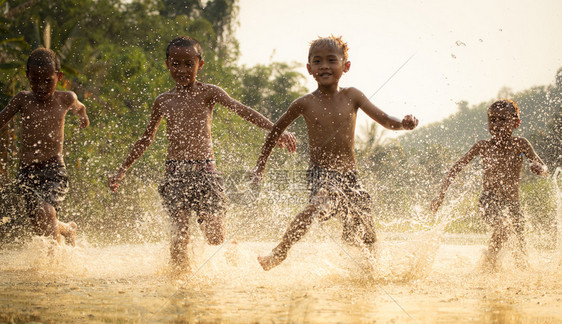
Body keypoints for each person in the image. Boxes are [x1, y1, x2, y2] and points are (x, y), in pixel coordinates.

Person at [107, 36, 296, 270]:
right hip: (175, 175)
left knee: (215, 237)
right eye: (176, 64)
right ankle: (180, 289)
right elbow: (147, 138)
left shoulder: (209, 93)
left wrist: (276, 130)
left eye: (189, 64)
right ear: (167, 64)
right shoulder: (164, 101)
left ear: (200, 64)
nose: (182, 70)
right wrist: (123, 169)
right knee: (179, 237)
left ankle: (231, 247)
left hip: (206, 174)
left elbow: (242, 110)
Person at [251, 35, 418, 270]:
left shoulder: (353, 96)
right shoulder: (304, 103)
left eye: (331, 60)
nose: (325, 66)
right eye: (318, 62)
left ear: (345, 66)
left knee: (365, 232)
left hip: (351, 176)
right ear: (310, 69)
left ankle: (372, 271)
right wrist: (261, 165)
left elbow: (384, 120)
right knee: (317, 204)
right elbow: (275, 131)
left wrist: (402, 123)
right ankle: (280, 252)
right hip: (321, 174)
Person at [431, 99, 549, 271]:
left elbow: (544, 167)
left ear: (516, 123)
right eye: (492, 120)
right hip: (489, 200)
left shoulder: (520, 144)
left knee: (521, 252)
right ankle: (488, 266)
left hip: (513, 205)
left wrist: (540, 168)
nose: (497, 124)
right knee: (503, 226)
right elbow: (457, 166)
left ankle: (496, 271)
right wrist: (440, 195)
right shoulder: (483, 146)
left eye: (503, 119)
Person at [0, 47, 89, 246]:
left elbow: (80, 107)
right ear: (27, 76)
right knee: (41, 224)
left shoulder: (65, 98)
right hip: (26, 171)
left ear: (59, 76)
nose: (40, 86)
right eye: (34, 80)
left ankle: (53, 266)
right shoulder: (22, 99)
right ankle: (67, 229)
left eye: (47, 80)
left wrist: (83, 117)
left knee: (46, 212)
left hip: (54, 169)